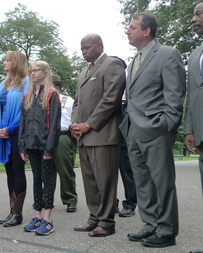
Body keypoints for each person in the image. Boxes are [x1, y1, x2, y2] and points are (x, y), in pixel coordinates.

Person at [119, 12, 185, 247]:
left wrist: (168, 123)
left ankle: (167, 231)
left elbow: (175, 93)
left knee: (162, 180)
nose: (128, 31)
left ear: (146, 31)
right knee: (142, 180)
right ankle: (151, 224)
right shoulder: (134, 60)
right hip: (133, 129)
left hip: (157, 128)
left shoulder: (168, 54)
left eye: (132, 27)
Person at [71, 34, 125, 237]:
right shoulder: (84, 72)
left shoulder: (112, 64)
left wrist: (89, 124)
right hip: (84, 136)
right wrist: (76, 125)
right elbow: (77, 103)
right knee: (90, 181)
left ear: (100, 45)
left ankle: (107, 222)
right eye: (81, 48)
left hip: (103, 134)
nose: (84, 51)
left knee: (105, 181)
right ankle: (94, 218)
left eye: (87, 47)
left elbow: (111, 99)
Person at [19, 61, 61, 236]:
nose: (33, 73)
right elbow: (23, 123)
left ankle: (48, 219)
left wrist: (49, 148)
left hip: (45, 145)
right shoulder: (27, 97)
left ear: (45, 73)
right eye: (31, 70)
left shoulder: (51, 95)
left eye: (36, 70)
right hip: (31, 145)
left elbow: (55, 126)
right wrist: (22, 146)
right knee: (36, 179)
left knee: (47, 180)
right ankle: (37, 216)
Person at [0, 51, 29, 227]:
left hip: (17, 133)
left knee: (17, 170)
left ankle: (18, 213)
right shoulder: (3, 84)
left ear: (16, 62)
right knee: (9, 171)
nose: (4, 62)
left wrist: (9, 129)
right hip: (4, 134)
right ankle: (11, 211)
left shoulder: (26, 83)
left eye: (7, 60)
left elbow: (25, 110)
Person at [185, 2, 203, 253]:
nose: (193, 19)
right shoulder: (195, 53)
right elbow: (191, 94)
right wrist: (189, 128)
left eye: (198, 13)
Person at [51, 74, 78, 213]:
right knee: (47, 171)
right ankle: (46, 199)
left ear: (57, 87)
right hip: (46, 137)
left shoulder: (68, 101)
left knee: (65, 170)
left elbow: (76, 117)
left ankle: (70, 199)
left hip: (62, 136)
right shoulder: (42, 101)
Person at [117, 94, 137, 218]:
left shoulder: (127, 89)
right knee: (106, 175)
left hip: (124, 137)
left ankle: (130, 204)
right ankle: (111, 203)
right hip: (106, 137)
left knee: (127, 174)